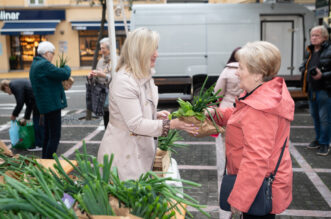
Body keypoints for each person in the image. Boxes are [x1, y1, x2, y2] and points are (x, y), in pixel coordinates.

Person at [97, 27, 198, 181]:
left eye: (156, 49)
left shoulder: (143, 74)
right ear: (139, 52)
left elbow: (134, 111)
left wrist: (154, 115)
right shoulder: (125, 81)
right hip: (124, 154)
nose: (156, 54)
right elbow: (135, 124)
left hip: (136, 151)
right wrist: (172, 124)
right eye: (151, 50)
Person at [208, 41, 294, 218]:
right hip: (257, 184)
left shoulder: (260, 108)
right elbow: (241, 116)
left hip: (256, 188)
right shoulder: (263, 95)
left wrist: (240, 201)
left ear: (258, 74)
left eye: (241, 68)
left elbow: (255, 159)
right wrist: (216, 114)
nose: (237, 73)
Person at [29, 41, 71, 159]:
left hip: (45, 105)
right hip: (51, 105)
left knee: (47, 135)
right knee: (54, 136)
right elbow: (63, 74)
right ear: (47, 53)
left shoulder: (36, 63)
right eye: (52, 53)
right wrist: (66, 67)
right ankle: (49, 161)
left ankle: (45, 160)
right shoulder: (44, 64)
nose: (53, 56)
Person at [213, 47, 243, 193]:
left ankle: (224, 172)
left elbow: (217, 92)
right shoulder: (250, 70)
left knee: (224, 144)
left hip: (226, 108)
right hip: (242, 109)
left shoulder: (227, 70)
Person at [300, 25, 331, 156]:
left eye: (317, 35)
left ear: (324, 37)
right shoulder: (309, 50)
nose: (313, 38)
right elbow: (303, 64)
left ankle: (325, 143)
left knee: (325, 118)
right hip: (311, 89)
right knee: (315, 117)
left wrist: (322, 74)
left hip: (325, 89)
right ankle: (318, 139)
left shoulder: (329, 50)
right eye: (312, 35)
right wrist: (303, 69)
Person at [0, 79, 43, 151]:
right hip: (38, 98)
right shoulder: (17, 84)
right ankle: (42, 143)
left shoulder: (14, 86)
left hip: (38, 99)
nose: (8, 94)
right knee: (39, 121)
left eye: (5, 91)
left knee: (37, 122)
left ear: (6, 86)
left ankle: (39, 145)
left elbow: (20, 103)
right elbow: (28, 104)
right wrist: (26, 118)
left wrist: (14, 115)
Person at [88, 37, 113, 129]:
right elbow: (98, 78)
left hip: (113, 95)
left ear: (110, 49)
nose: (101, 50)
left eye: (103, 48)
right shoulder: (101, 60)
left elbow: (118, 78)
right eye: (100, 48)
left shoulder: (116, 60)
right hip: (103, 95)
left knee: (114, 122)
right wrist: (93, 76)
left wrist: (104, 75)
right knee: (106, 120)